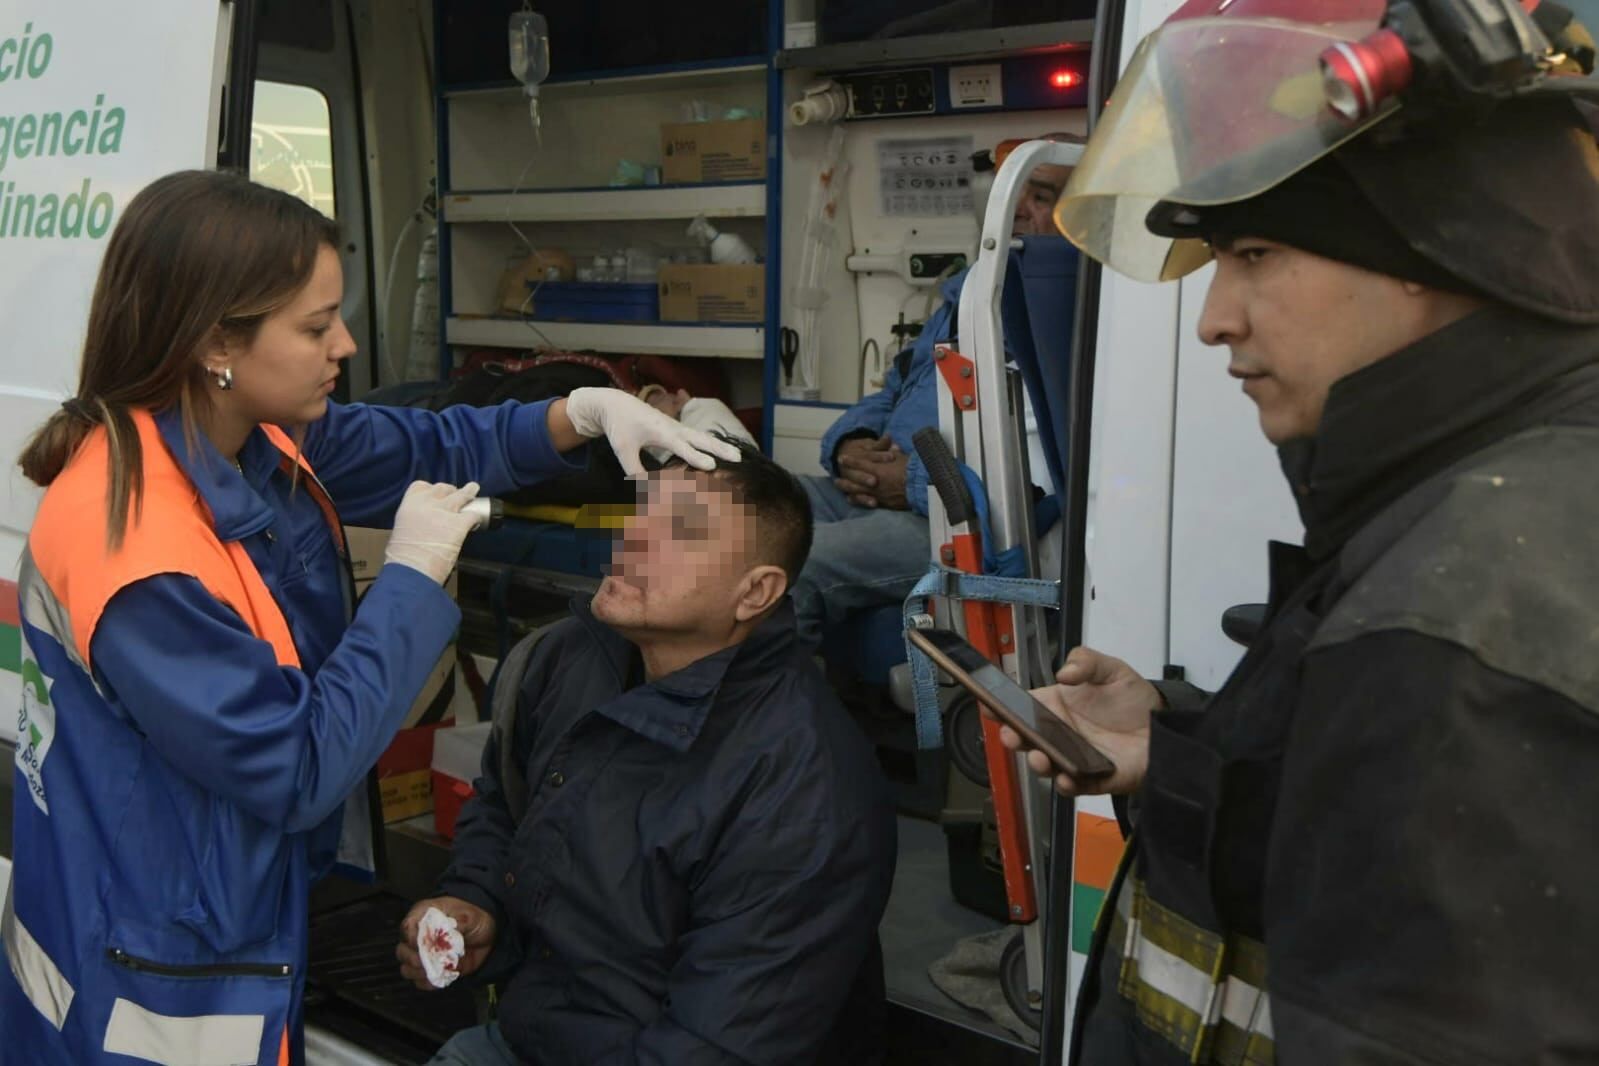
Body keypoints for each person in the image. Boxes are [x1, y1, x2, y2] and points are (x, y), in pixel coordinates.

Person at [0, 169, 738, 1066]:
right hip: (150, 962)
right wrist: (413, 578)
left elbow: (431, 443)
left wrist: (579, 413)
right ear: (215, 342)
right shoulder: (141, 550)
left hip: (199, 890)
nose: (344, 344)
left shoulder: (245, 434)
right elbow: (296, 767)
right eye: (315, 327)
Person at [1002, 1, 1599, 1062]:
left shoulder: (1453, 607)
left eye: (1256, 253)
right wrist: (1181, 748)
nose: (1213, 317)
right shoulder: (1485, 501)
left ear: (1431, 245)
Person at [396, 439, 897, 1065]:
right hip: (534, 1036)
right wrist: (476, 900)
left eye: (680, 531)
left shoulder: (803, 785)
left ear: (754, 592)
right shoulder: (574, 656)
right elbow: (505, 803)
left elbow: (720, 1044)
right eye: (640, 513)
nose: (632, 537)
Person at [791, 143, 1075, 647]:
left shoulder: (1068, 316)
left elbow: (1031, 477)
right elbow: (898, 383)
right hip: (889, 490)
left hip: (961, 523)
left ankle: (780, 698)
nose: (1017, 210)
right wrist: (852, 445)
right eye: (1011, 195)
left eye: (1041, 197)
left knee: (791, 559)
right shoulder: (969, 294)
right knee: (741, 505)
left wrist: (912, 482)